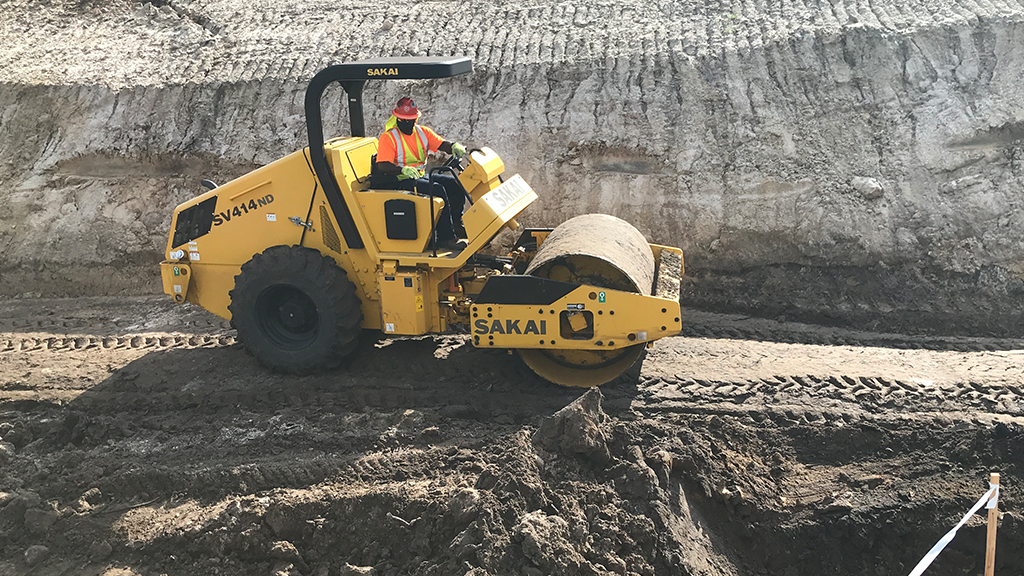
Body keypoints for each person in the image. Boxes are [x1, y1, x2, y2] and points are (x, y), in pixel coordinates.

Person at [375, 97, 469, 250]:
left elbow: (440, 144)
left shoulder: (422, 132)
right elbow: (382, 165)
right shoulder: (389, 137)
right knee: (438, 190)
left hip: (419, 176)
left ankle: (456, 225)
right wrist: (402, 170)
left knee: (455, 184)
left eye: (411, 119)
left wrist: (453, 146)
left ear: (416, 118)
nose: (408, 123)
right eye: (404, 120)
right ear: (398, 119)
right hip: (400, 180)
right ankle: (445, 238)